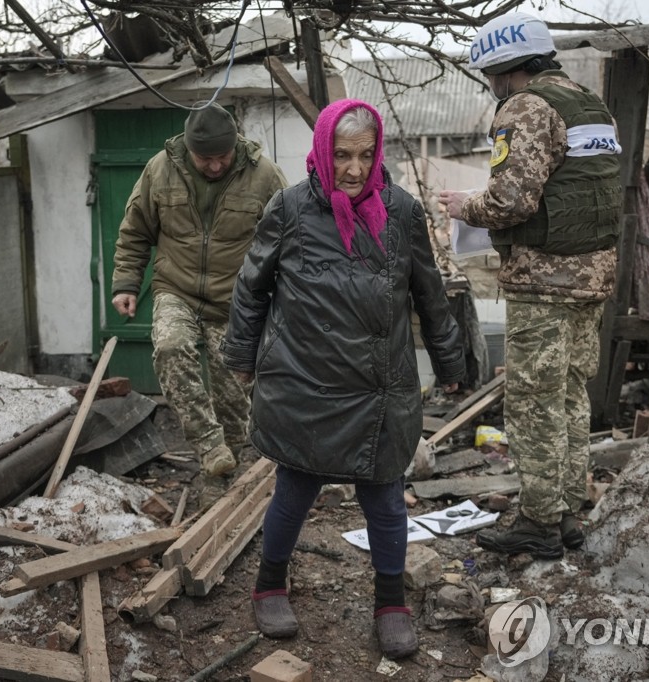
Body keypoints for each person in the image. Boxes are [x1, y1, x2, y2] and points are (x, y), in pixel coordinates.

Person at [220, 99, 465, 659]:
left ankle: (390, 602)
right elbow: (251, 288)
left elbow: (428, 292)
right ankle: (270, 585)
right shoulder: (288, 208)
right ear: (323, 153)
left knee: (384, 499)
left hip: (379, 386)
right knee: (294, 490)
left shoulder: (401, 211)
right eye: (342, 154)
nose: (354, 169)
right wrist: (240, 356)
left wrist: (451, 363)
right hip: (305, 380)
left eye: (364, 154)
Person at [438, 11, 623, 560]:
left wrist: (462, 205)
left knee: (534, 403)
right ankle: (565, 511)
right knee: (567, 396)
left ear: (503, 67)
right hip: (591, 277)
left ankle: (540, 523)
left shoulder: (525, 107)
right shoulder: (590, 103)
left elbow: (511, 201)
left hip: (544, 280)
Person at [111, 102, 287, 498]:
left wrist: (284, 302)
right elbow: (135, 231)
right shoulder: (160, 169)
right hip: (177, 288)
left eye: (221, 157)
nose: (213, 166)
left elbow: (289, 243)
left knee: (232, 397)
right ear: (188, 148)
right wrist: (125, 283)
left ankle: (221, 477)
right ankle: (208, 445)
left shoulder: (264, 177)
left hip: (237, 301)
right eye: (204, 158)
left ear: (235, 146)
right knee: (171, 348)